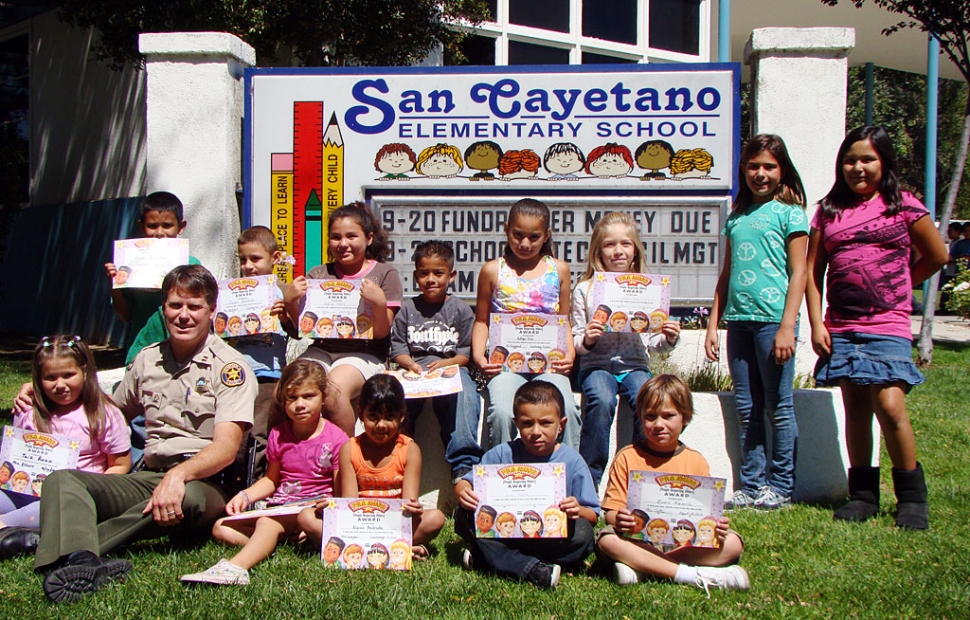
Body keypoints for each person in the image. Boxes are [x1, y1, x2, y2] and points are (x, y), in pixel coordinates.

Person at [31, 265, 256, 603]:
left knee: (186, 498)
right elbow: (108, 411)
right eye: (174, 305)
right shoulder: (147, 361)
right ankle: (82, 560)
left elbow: (225, 449)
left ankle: (59, 545)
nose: (183, 316)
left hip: (207, 483)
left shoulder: (230, 369)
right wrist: (38, 397)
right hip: (149, 476)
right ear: (162, 308)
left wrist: (178, 477)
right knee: (63, 481)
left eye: (194, 307)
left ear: (212, 310)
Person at [806, 125, 948, 530]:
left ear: (883, 161)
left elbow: (936, 255)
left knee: (890, 405)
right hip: (843, 326)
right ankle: (864, 495)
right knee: (856, 409)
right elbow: (814, 273)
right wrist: (817, 323)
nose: (858, 167)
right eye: (850, 160)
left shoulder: (903, 205)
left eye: (867, 159)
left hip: (888, 324)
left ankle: (912, 499)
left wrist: (899, 283)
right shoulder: (828, 211)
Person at [704, 134, 809, 511]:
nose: (760, 174)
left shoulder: (791, 213)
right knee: (747, 407)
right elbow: (726, 273)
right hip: (739, 323)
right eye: (753, 166)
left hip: (772, 323)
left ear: (782, 171)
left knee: (778, 405)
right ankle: (752, 484)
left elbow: (799, 274)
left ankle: (781, 487)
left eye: (769, 166)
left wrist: (787, 326)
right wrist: (714, 324)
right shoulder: (737, 217)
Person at [180, 360, 348, 585]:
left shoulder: (336, 438)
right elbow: (271, 479)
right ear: (283, 401)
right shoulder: (278, 435)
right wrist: (245, 495)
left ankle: (236, 568)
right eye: (292, 398)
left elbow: (340, 491)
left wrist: (327, 508)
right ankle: (277, 541)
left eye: (308, 396)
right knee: (221, 528)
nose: (300, 404)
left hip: (314, 510)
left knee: (266, 523)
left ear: (323, 398)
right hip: (282, 506)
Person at [596, 375, 749, 593]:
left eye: (668, 416)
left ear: (685, 418)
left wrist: (717, 526)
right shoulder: (627, 457)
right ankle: (692, 574)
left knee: (733, 542)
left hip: (682, 543)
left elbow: (706, 517)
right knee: (607, 541)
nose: (659, 424)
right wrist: (621, 519)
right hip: (641, 540)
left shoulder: (696, 461)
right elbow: (611, 511)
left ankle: (643, 567)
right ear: (639, 416)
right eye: (650, 416)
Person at [571, 211, 681, 486]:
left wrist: (668, 338)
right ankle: (588, 482)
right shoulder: (585, 289)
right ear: (598, 250)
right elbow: (573, 339)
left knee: (646, 401)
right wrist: (587, 339)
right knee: (602, 399)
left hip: (634, 365)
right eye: (609, 244)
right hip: (596, 365)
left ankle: (640, 481)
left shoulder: (649, 288)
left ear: (635, 250)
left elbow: (654, 344)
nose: (618, 251)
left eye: (625, 244)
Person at [454, 382, 599, 589]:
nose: (536, 431)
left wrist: (577, 510)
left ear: (562, 425)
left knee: (583, 533)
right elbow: (466, 483)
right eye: (527, 423)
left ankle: (491, 559)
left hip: (548, 538)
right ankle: (534, 568)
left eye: (546, 423)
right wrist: (464, 491)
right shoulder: (502, 454)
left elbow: (592, 515)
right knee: (464, 516)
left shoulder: (572, 461)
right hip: (506, 533)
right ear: (516, 423)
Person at [0, 336, 131, 560]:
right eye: (50, 377)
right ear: (38, 380)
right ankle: (15, 534)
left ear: (85, 371)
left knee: (49, 511)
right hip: (24, 489)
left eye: (68, 375)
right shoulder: (29, 411)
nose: (60, 385)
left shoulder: (103, 413)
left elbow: (121, 464)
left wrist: (96, 495)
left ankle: (9, 531)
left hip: (70, 498)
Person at [471, 198, 581, 450]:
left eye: (534, 236)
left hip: (549, 365)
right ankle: (498, 475)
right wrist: (479, 356)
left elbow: (563, 320)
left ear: (546, 236)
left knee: (569, 413)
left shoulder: (559, 270)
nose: (524, 243)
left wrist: (570, 353)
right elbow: (481, 320)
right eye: (517, 235)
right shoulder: (492, 270)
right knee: (499, 412)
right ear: (507, 229)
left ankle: (567, 476)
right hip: (506, 366)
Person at [286, 202, 403, 437]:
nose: (343, 244)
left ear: (369, 238)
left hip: (366, 354)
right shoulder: (319, 274)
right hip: (322, 349)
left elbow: (381, 333)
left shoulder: (384, 274)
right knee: (287, 387)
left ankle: (344, 462)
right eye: (336, 237)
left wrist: (378, 303)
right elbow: (301, 331)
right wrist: (290, 301)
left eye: (352, 236)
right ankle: (285, 459)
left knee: (333, 392)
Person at [298, 375, 445, 558]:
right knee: (306, 517)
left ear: (401, 416)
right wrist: (334, 506)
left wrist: (413, 508)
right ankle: (398, 547)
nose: (381, 425)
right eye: (373, 417)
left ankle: (362, 545)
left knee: (435, 518)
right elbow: (349, 504)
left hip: (393, 523)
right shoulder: (350, 449)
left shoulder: (409, 450)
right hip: (358, 524)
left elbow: (407, 505)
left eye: (389, 417)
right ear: (360, 413)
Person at [390, 240, 484, 482]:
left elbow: (465, 353)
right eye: (424, 273)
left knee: (465, 389)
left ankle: (464, 465)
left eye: (438, 273)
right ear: (415, 276)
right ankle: (396, 451)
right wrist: (410, 364)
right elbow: (397, 348)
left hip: (450, 369)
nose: (430, 279)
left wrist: (446, 364)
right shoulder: (408, 309)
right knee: (396, 394)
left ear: (451, 276)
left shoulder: (461, 309)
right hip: (414, 371)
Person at [227, 225, 296, 480]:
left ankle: (256, 484)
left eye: (255, 259)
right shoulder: (231, 291)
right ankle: (234, 486)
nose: (248, 266)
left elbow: (298, 331)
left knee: (260, 432)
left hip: (269, 374)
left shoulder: (284, 291)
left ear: (274, 258)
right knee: (235, 433)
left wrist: (287, 314)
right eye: (242, 259)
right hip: (234, 374)